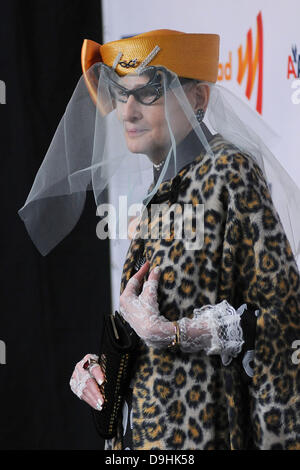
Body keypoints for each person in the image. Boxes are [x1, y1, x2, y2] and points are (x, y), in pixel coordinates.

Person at [18, 30, 300, 450]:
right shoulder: (156, 195)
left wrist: (177, 333)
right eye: (120, 94)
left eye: (148, 92)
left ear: (199, 98)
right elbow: (150, 329)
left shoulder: (229, 172)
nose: (127, 111)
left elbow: (285, 315)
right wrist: (103, 367)